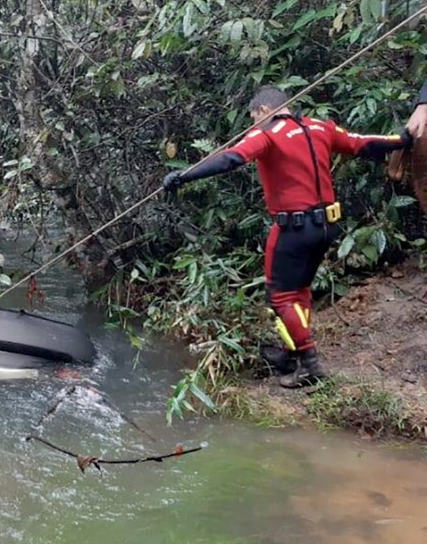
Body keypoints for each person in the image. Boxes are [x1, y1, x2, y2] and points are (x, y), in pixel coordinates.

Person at [162, 85, 412, 388]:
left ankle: (310, 364)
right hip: (325, 227)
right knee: (300, 292)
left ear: (266, 111)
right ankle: (290, 353)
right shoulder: (320, 127)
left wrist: (184, 175)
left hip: (293, 229)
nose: (254, 125)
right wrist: (402, 138)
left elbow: (232, 158)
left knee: (280, 296)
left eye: (255, 118)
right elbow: (365, 144)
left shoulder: (267, 134)